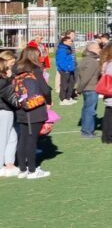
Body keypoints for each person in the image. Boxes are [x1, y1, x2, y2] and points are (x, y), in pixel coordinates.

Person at [12, 47, 52, 179]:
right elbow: (45, 89)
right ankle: (32, 170)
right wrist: (49, 101)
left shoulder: (16, 69)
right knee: (32, 139)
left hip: (20, 107)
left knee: (23, 138)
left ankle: (22, 168)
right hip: (35, 107)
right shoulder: (35, 70)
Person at [75, 42, 102, 139]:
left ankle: (87, 130)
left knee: (87, 109)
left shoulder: (85, 59)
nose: (100, 50)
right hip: (91, 89)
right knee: (90, 111)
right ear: (92, 49)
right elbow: (86, 77)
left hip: (88, 89)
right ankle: (87, 132)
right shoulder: (92, 61)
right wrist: (79, 89)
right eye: (98, 48)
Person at [0, 56, 18, 176]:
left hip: (5, 111)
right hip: (4, 111)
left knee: (12, 137)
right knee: (3, 139)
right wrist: (12, 77)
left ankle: (9, 163)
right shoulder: (3, 81)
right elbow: (11, 95)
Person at [55, 36, 77, 105]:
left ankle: (68, 97)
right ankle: (62, 99)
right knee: (64, 84)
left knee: (71, 83)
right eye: (70, 41)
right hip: (65, 70)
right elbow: (61, 61)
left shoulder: (68, 48)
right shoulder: (61, 49)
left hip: (70, 69)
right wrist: (66, 69)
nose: (71, 42)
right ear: (65, 41)